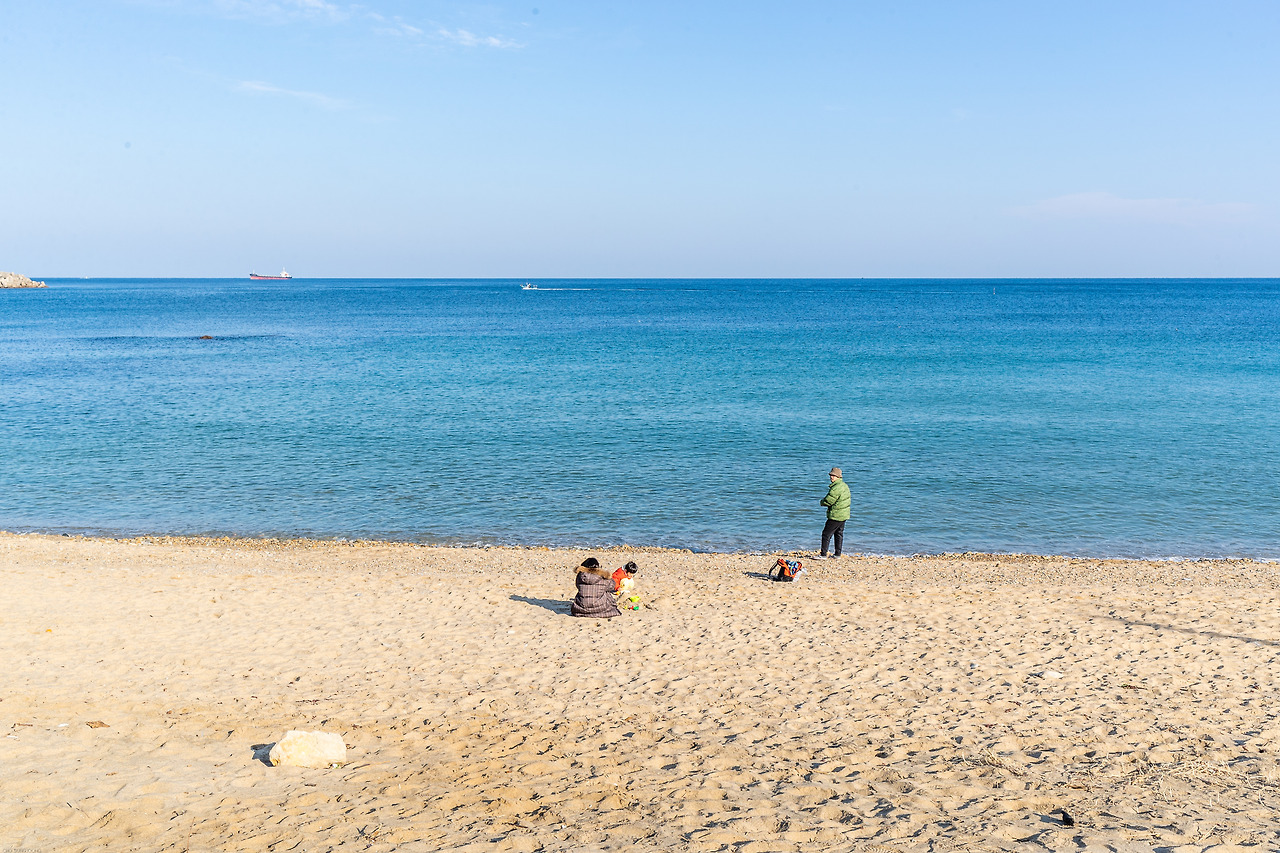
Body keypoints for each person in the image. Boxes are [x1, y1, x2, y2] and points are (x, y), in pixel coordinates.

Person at [819, 466, 850, 558]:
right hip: (843, 515)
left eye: (833, 476)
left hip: (836, 515)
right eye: (831, 475)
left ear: (838, 477)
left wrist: (822, 502)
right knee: (838, 534)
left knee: (826, 534)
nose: (831, 477)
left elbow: (829, 500)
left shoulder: (836, 488)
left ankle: (823, 555)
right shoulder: (844, 485)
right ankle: (837, 554)